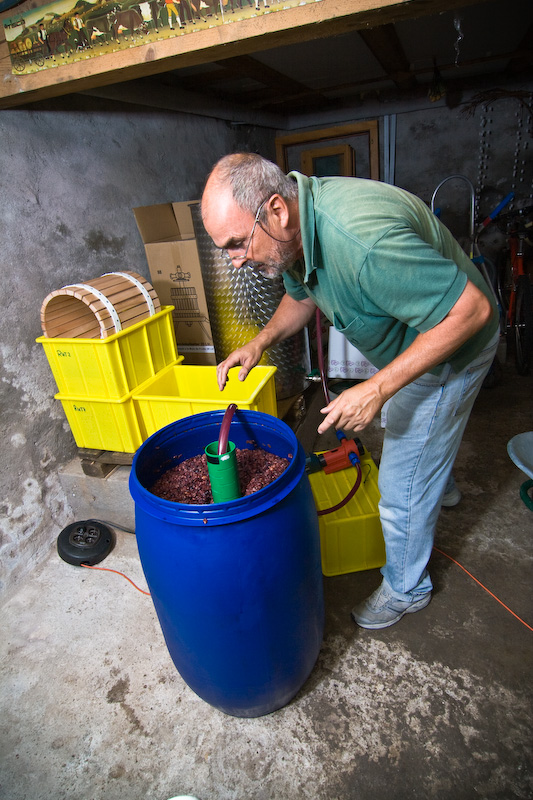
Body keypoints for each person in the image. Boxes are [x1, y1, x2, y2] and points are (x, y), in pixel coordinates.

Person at [201, 152, 498, 630]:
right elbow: (302, 295)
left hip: (454, 344)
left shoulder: (362, 242)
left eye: (237, 243)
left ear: (275, 209)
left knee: (398, 490)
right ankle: (436, 481)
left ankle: (407, 589)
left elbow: (470, 312)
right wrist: (260, 342)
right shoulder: (295, 229)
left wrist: (377, 388)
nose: (235, 261)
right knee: (415, 439)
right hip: (416, 338)